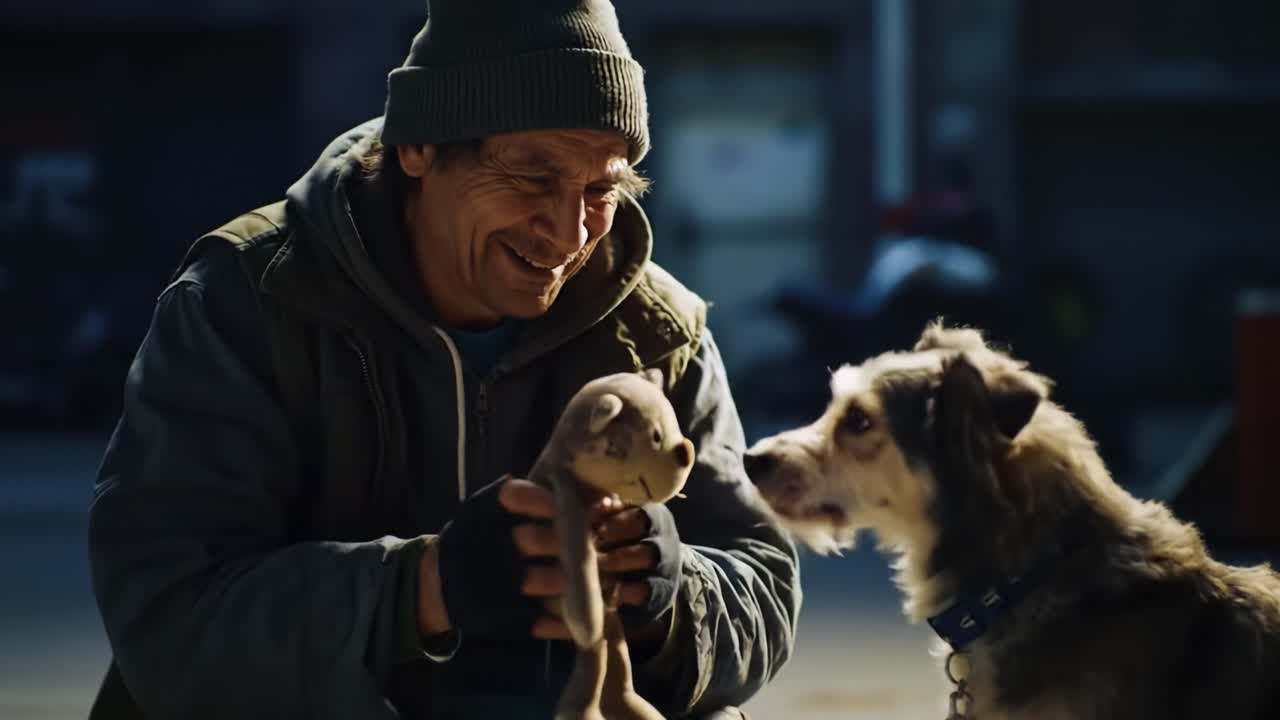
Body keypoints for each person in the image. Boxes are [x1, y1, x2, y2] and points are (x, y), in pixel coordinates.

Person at [86, 1, 801, 718]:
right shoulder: (247, 301)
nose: (566, 232)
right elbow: (166, 617)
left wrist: (665, 587)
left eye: (600, 189)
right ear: (418, 147)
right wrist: (422, 587)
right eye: (531, 175)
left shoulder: (656, 330)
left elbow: (764, 581)